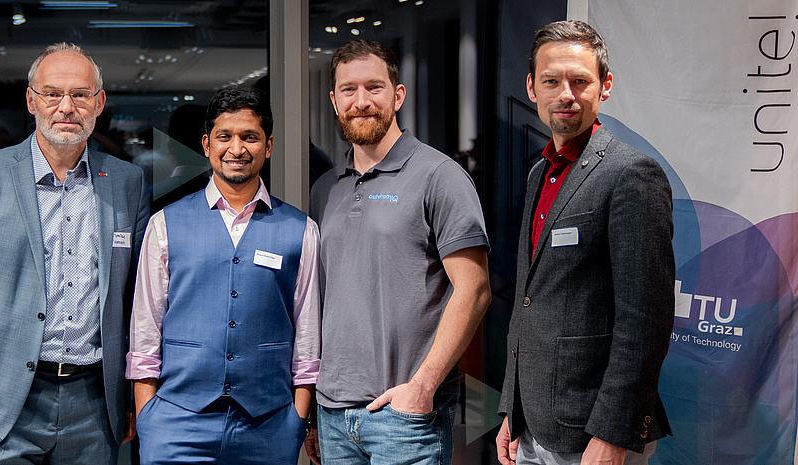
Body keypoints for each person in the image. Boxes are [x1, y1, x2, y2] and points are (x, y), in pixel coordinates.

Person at [0, 42, 149, 465]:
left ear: (99, 102)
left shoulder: (127, 182)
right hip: (5, 400)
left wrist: (133, 395)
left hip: (94, 401)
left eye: (80, 95)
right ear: (31, 100)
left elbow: (135, 301)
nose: (66, 107)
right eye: (52, 94)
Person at [495, 20, 674, 465]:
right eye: (551, 81)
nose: (566, 94)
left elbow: (645, 321)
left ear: (605, 86)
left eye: (580, 81)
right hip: (534, 425)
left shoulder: (631, 174)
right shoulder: (540, 173)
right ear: (532, 88)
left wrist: (613, 433)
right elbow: (528, 299)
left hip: (593, 432)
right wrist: (510, 410)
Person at [309, 39, 492, 464]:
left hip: (405, 417)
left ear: (398, 95)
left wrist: (423, 387)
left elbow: (475, 289)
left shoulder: (439, 176)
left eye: (374, 87)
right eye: (349, 90)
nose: (361, 102)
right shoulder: (326, 189)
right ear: (335, 102)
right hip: (333, 413)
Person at [128, 87, 320, 464]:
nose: (237, 148)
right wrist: (148, 415)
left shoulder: (301, 229)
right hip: (175, 424)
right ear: (206, 144)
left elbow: (308, 331)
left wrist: (298, 418)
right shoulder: (164, 224)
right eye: (225, 137)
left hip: (270, 424)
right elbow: (145, 328)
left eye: (250, 137)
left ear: (268, 146)